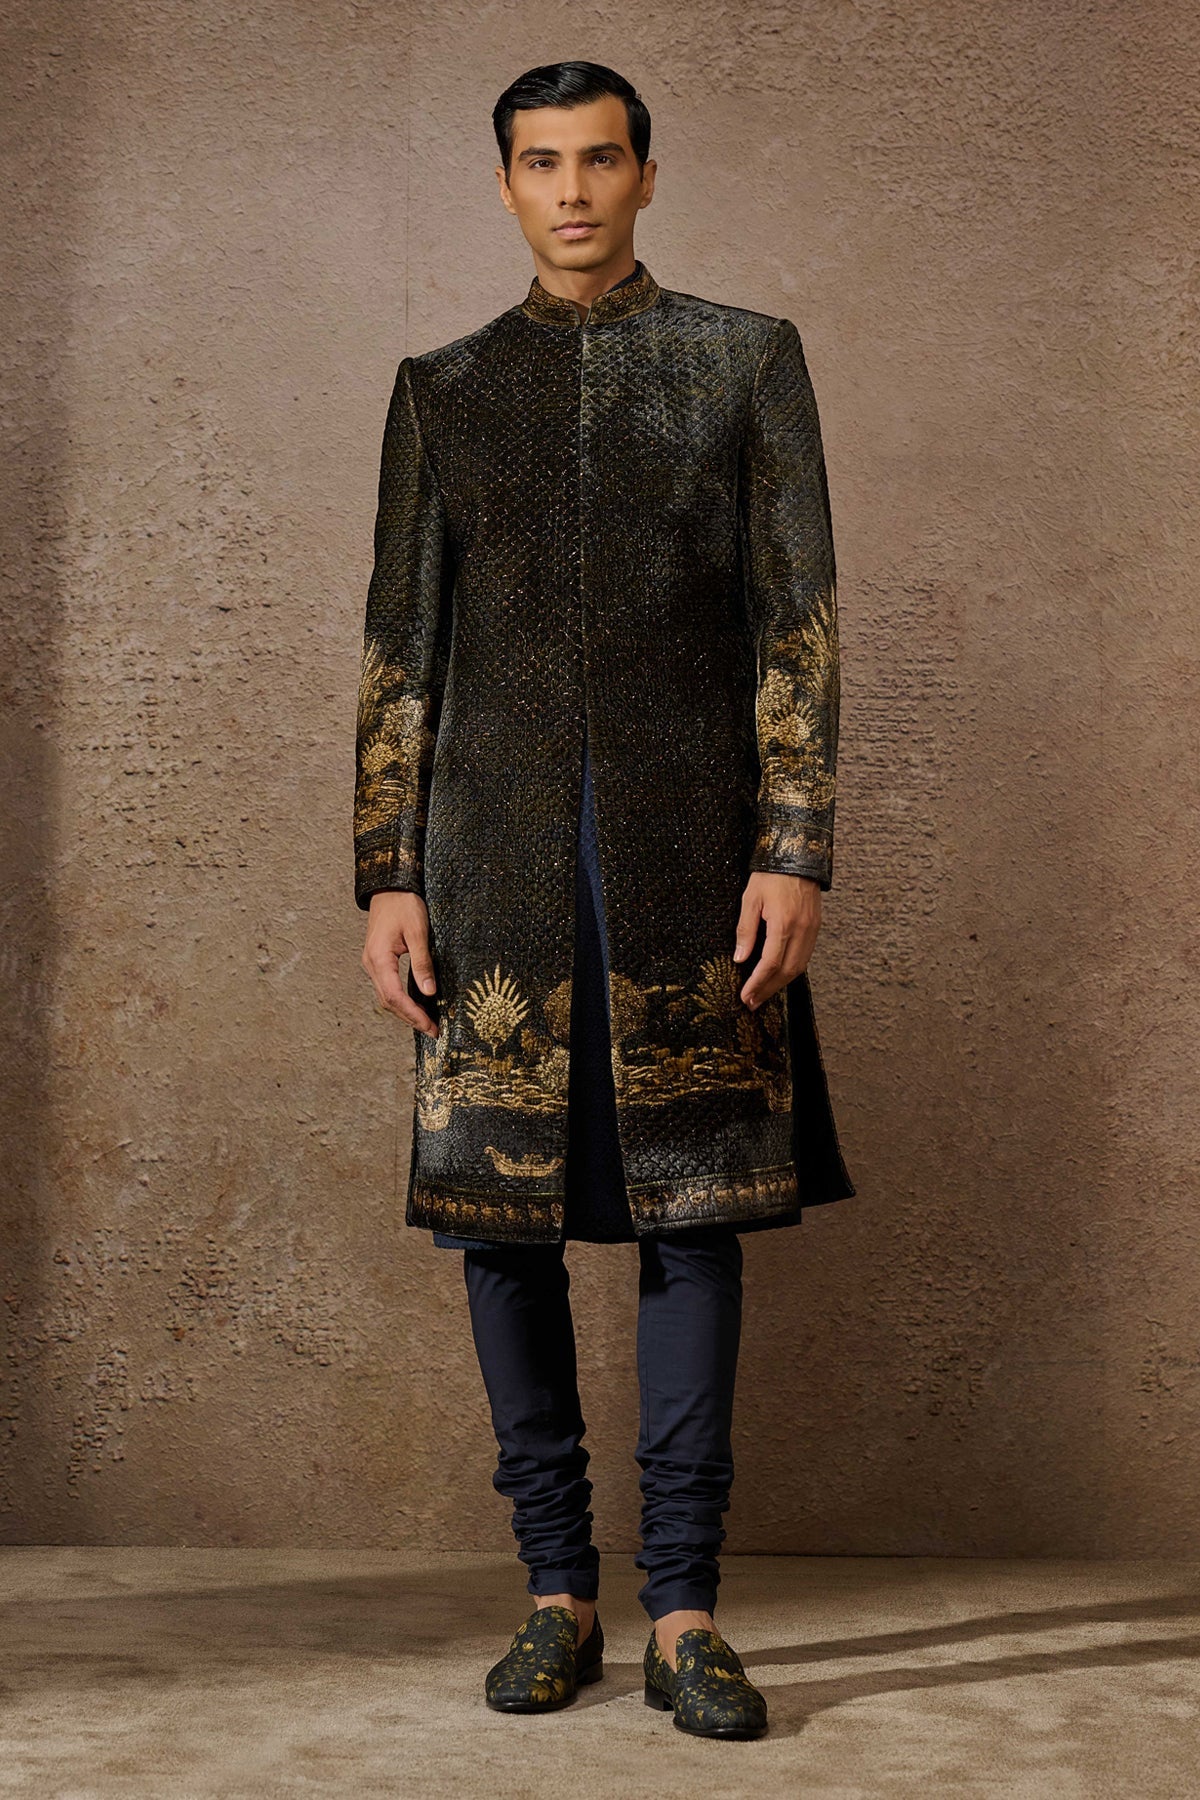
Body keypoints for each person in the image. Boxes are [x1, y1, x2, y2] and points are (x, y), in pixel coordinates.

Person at [354, 59, 854, 1741]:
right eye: (540, 162)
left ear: (647, 173)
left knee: (694, 1217)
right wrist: (386, 873)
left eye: (599, 159)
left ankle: (686, 1610)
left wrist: (793, 844)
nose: (571, 190)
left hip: (687, 860)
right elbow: (398, 652)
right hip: (488, 866)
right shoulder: (442, 390)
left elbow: (798, 623)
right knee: (500, 1227)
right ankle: (557, 1592)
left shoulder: (744, 362)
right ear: (505, 182)